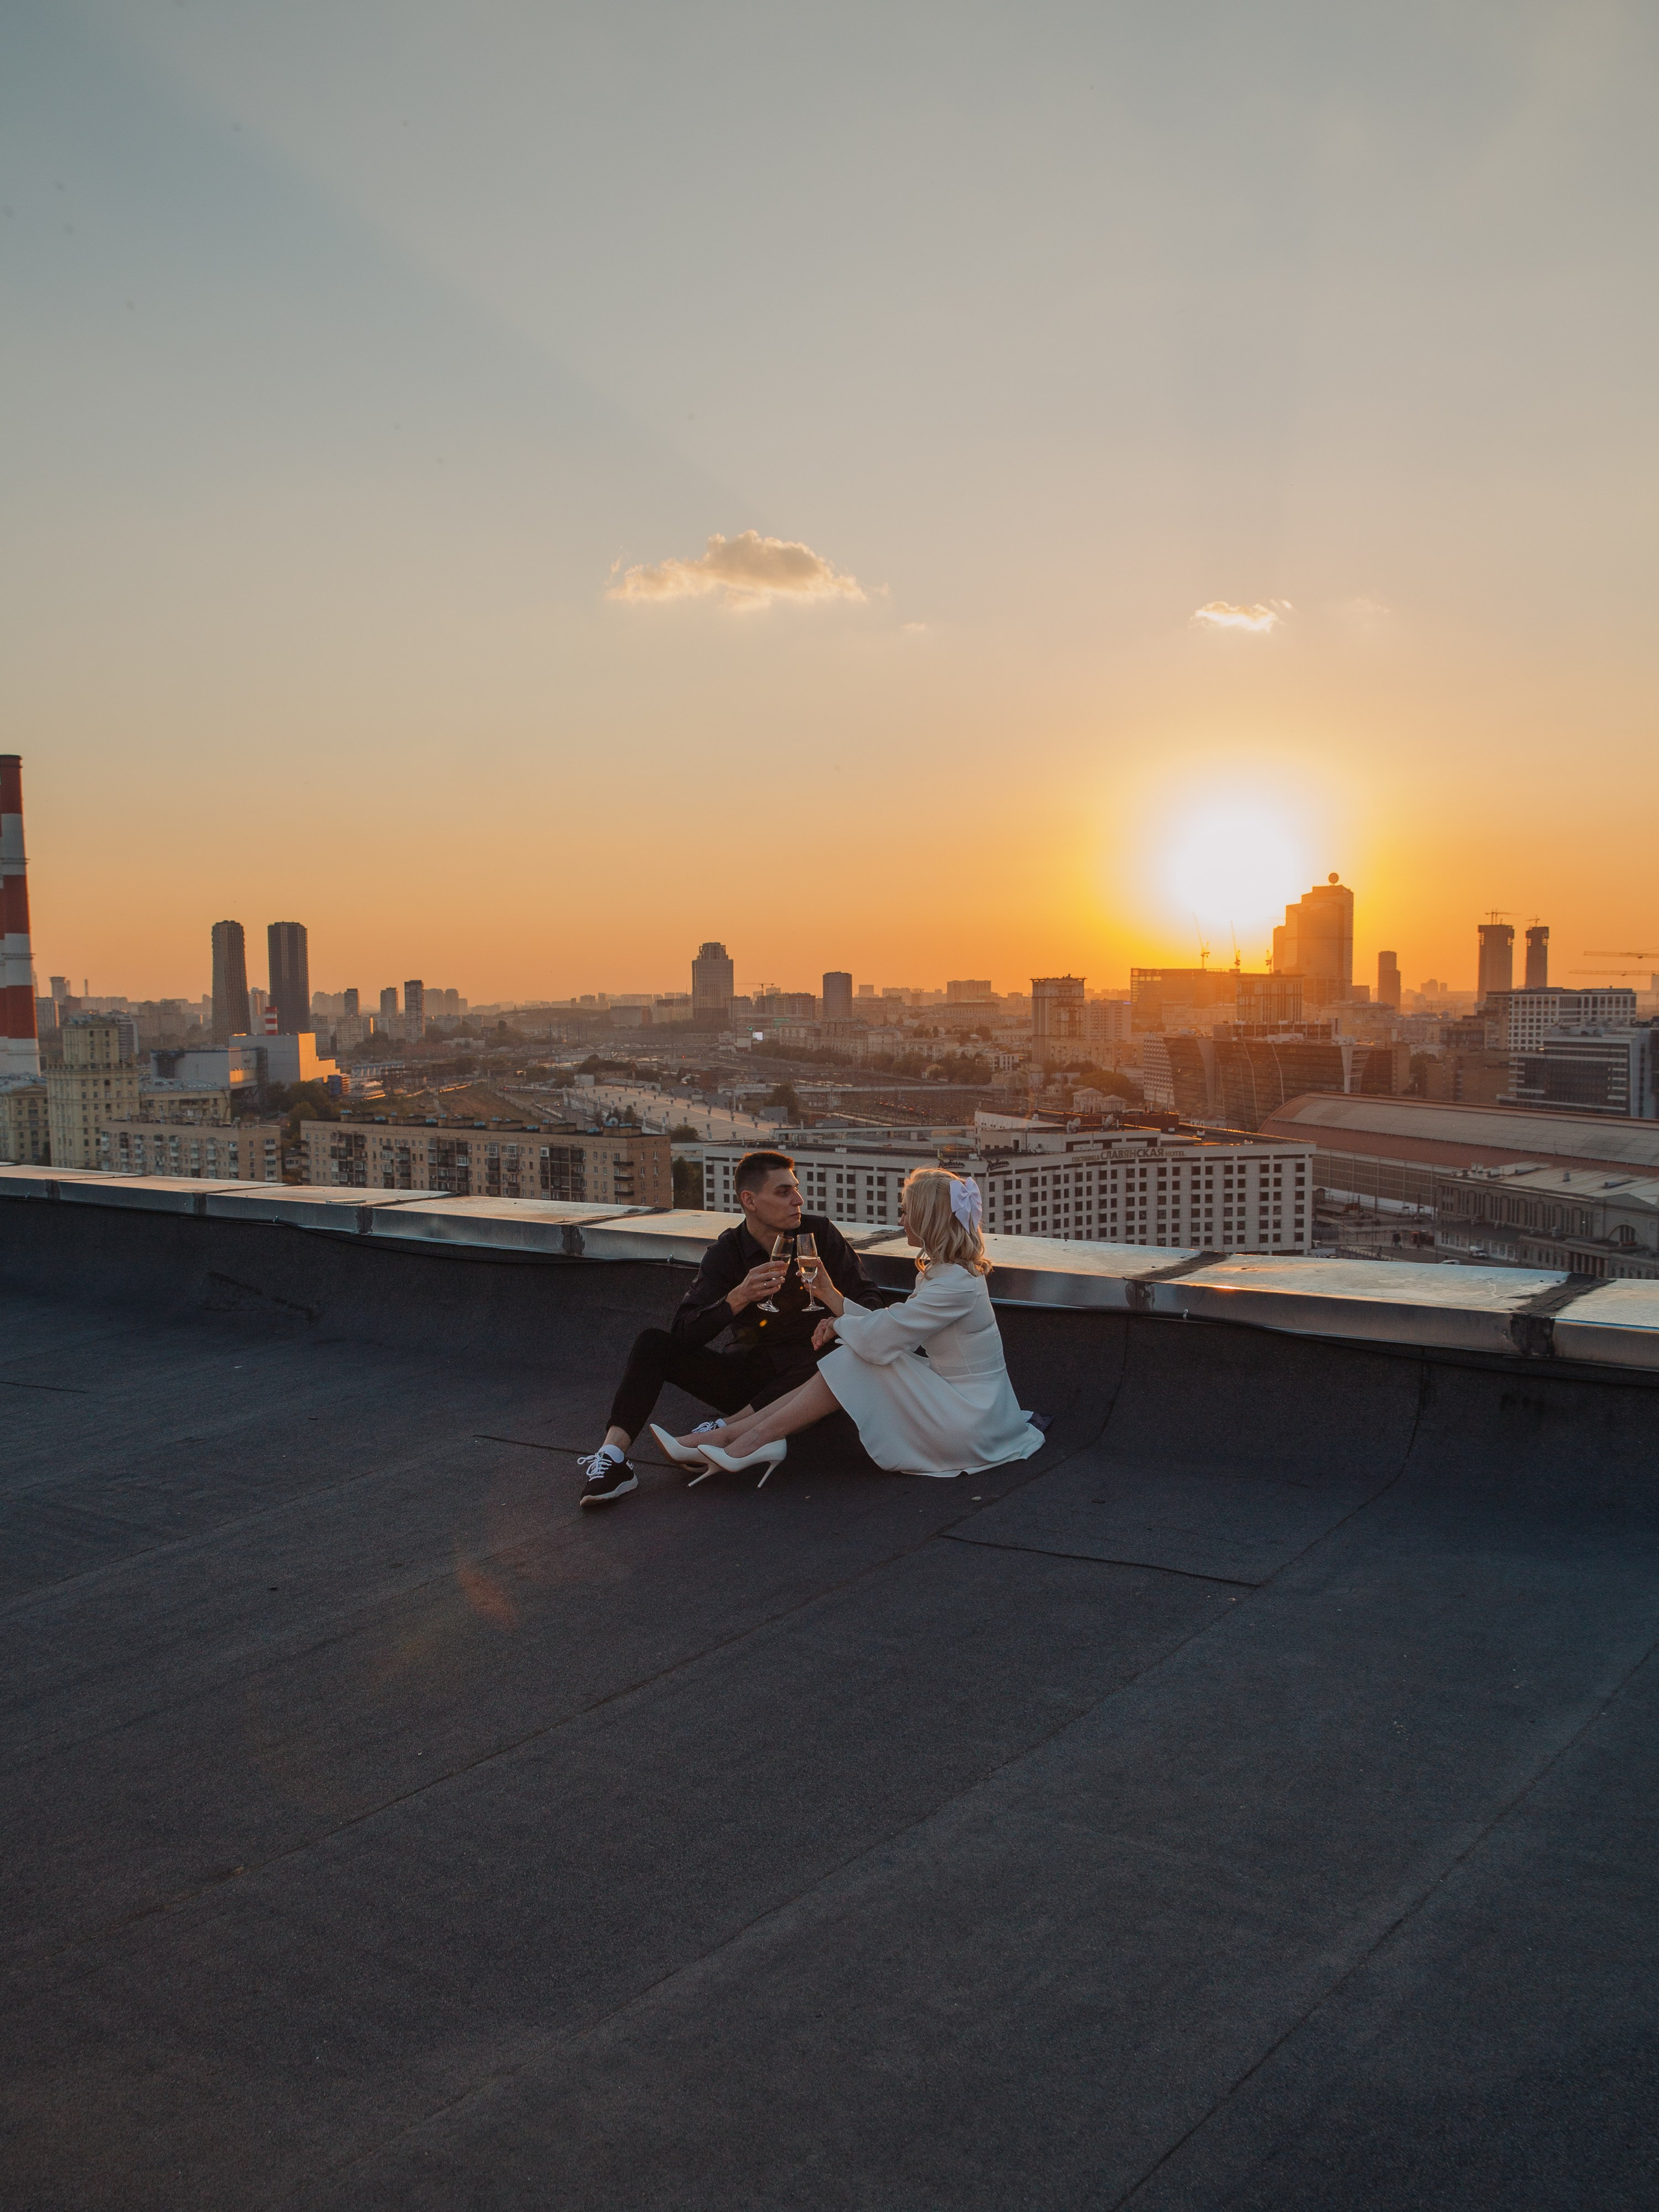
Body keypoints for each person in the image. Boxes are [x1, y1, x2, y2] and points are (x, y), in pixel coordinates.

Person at [667, 1165, 1045, 1482]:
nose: (900, 1220)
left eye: (906, 1212)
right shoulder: (948, 1272)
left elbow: (883, 1339)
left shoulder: (953, 1284)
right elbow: (893, 1328)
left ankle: (743, 1440)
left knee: (856, 1356)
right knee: (858, 1352)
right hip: (962, 1401)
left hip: (970, 1418)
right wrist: (833, 1299)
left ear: (927, 1220)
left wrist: (836, 1325)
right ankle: (738, 1438)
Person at [577, 1148, 884, 1504]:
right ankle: (613, 1459)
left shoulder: (818, 1236)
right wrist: (737, 1298)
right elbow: (684, 1333)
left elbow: (872, 1305)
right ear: (750, 1200)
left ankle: (722, 1432)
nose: (798, 1200)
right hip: (751, 1377)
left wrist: (834, 1313)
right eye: (784, 1192)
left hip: (814, 1380)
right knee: (653, 1343)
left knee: (841, 1345)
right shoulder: (728, 1251)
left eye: (796, 1190)